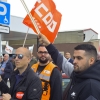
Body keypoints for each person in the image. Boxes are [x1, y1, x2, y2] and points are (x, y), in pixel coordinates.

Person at [38, 33, 100, 100]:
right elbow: (62, 62)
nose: (74, 61)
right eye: (74, 57)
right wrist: (48, 45)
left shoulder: (91, 87)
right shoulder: (78, 73)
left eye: (79, 58)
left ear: (91, 61)